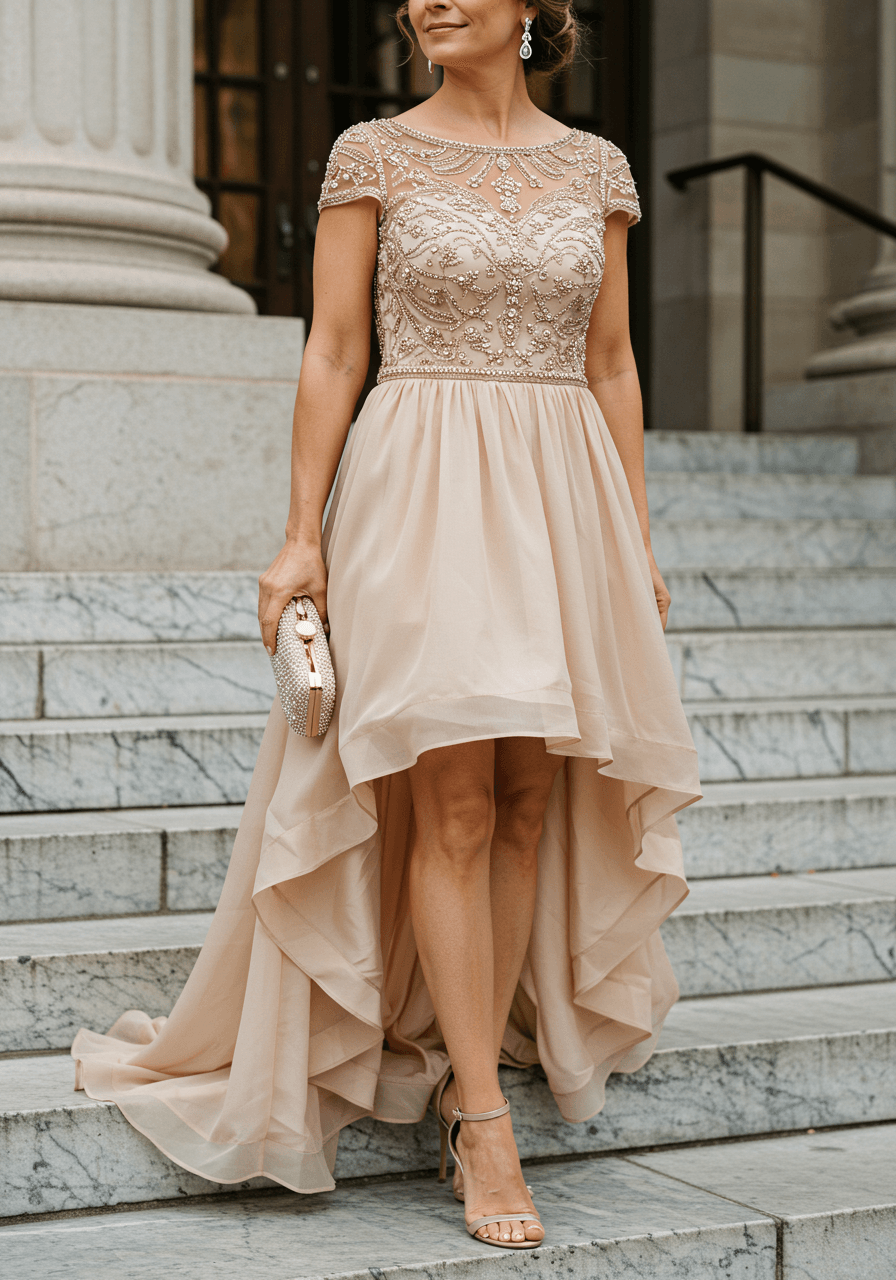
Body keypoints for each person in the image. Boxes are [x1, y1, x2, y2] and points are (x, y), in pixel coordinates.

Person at [73, 0, 700, 1251]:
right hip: (419, 485)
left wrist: (631, 538)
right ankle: (479, 1116)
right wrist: (300, 533)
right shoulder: (373, 152)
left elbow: (613, 362)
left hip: (561, 495)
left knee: (526, 797)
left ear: (535, 9)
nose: (429, 1)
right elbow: (334, 350)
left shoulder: (597, 169)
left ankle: (469, 1044)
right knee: (453, 799)